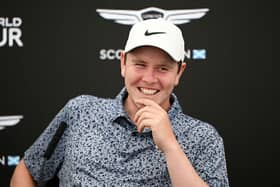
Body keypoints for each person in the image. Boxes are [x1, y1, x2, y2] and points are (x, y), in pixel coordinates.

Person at [10, 19, 229, 187]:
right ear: (123, 62)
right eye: (140, 64)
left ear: (178, 73)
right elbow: (29, 169)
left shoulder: (203, 138)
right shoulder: (80, 110)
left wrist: (170, 146)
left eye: (163, 68)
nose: (149, 78)